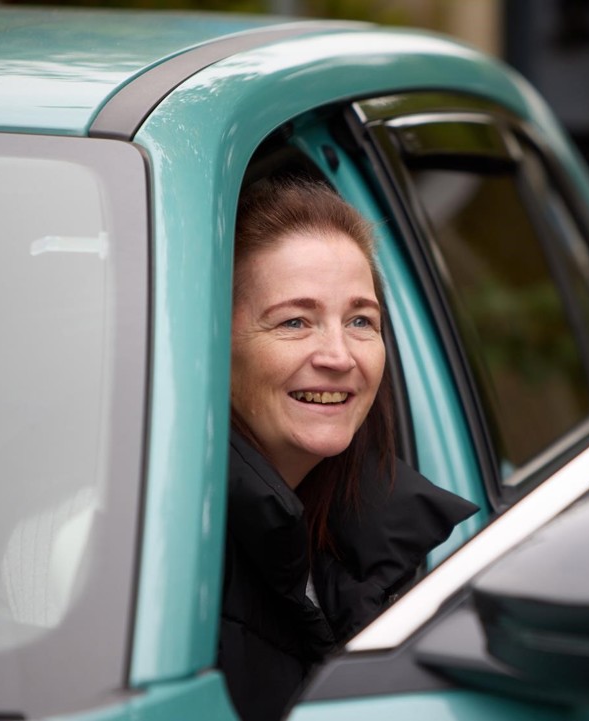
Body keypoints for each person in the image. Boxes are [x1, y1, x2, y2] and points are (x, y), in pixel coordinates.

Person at [217, 178, 477, 721]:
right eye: (295, 321)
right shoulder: (126, 552)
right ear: (213, 339)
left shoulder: (379, 529)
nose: (338, 355)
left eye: (361, 321)